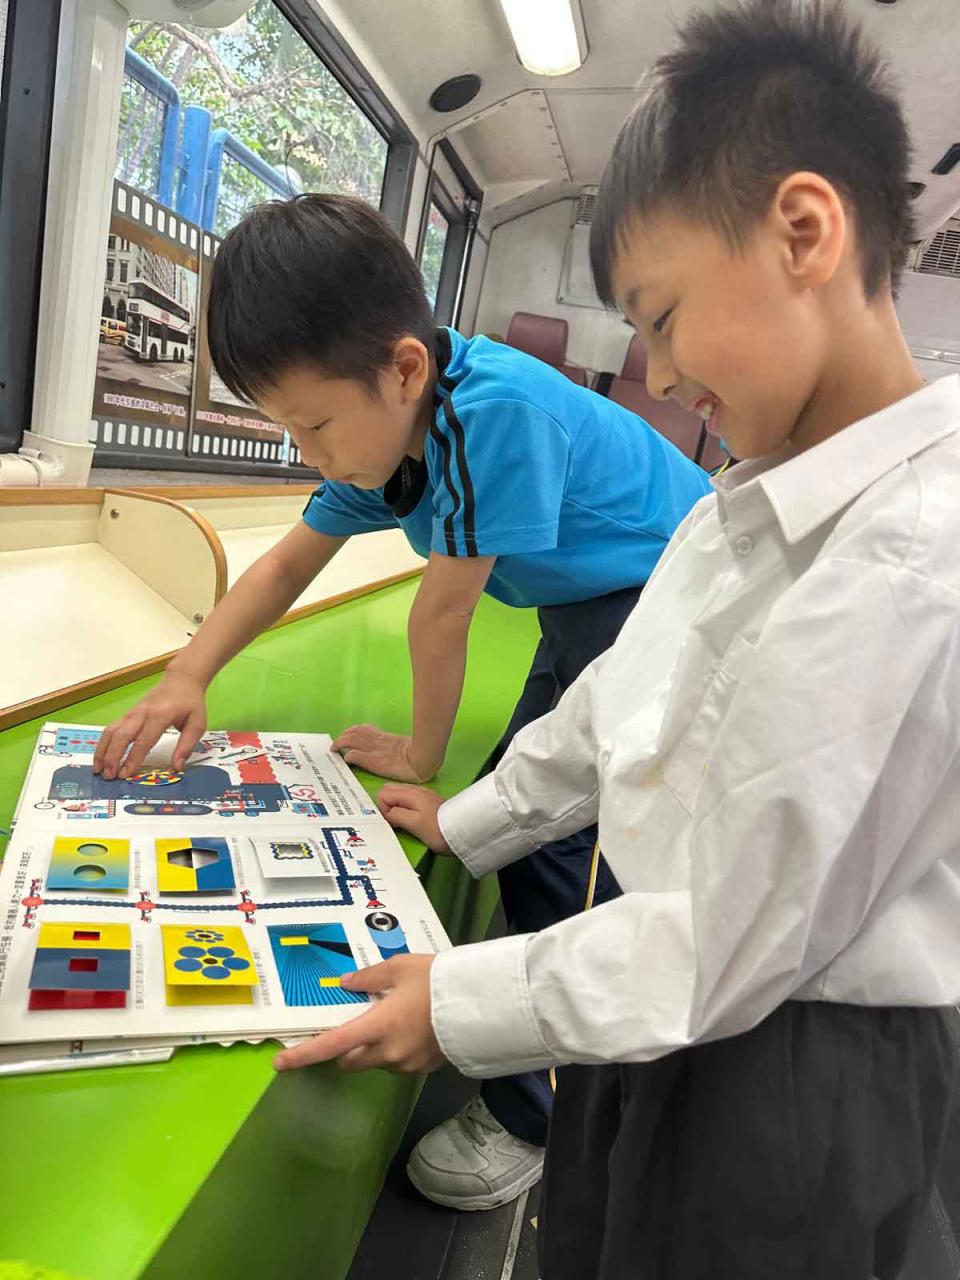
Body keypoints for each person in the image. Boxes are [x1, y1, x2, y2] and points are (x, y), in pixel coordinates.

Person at [272, 3, 960, 1276]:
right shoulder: (741, 498)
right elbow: (607, 709)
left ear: (804, 232)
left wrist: (464, 1003)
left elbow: (741, 931)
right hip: (644, 985)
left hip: (790, 1060)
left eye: (663, 314)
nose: (658, 370)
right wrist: (468, 820)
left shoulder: (917, 551)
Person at [92, 193, 712, 1208]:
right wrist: (187, 674)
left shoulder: (491, 413)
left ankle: (541, 1113)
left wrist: (423, 756)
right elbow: (287, 563)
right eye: (286, 427)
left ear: (406, 369)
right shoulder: (384, 433)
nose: (307, 450)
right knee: (528, 806)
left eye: (312, 424)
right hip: (581, 604)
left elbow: (443, 612)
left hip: (659, 598)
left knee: (576, 845)